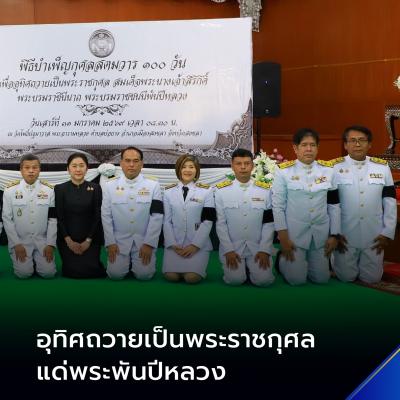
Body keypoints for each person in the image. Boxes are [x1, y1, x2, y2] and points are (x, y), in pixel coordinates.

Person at [271, 128, 340, 285]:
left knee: (322, 279)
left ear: (318, 147)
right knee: (296, 280)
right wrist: (283, 237)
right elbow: (278, 206)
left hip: (320, 234)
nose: (309, 149)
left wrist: (334, 234)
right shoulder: (283, 172)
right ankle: (281, 261)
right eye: (304, 145)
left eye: (312, 145)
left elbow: (334, 205)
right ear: (295, 148)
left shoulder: (328, 171)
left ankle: (306, 263)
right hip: (294, 234)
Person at [331, 125, 397, 283]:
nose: (357, 144)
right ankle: (332, 260)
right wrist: (334, 233)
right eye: (352, 140)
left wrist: (387, 232)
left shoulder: (382, 167)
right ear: (345, 145)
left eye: (362, 140)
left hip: (373, 234)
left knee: (372, 278)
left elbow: (389, 201)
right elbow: (331, 204)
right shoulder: (334, 167)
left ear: (370, 144)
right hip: (345, 234)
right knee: (346, 277)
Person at [214, 148, 275, 287]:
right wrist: (228, 250)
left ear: (252, 166)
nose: (243, 167)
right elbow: (221, 224)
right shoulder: (221, 191)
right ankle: (244, 270)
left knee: (264, 282)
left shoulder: (265, 190)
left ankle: (256, 267)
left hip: (257, 247)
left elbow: (269, 223)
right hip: (234, 248)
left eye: (247, 163)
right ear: (232, 166)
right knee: (234, 281)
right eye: (238, 163)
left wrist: (265, 249)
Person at [101, 146, 164, 280]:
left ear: (142, 164)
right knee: (115, 275)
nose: (131, 165)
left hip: (143, 241)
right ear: (121, 163)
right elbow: (106, 216)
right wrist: (110, 242)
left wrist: (149, 243)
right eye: (127, 160)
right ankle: (126, 263)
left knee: (144, 276)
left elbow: (157, 217)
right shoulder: (110, 186)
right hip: (119, 241)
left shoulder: (153, 185)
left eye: (135, 161)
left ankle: (134, 263)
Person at [162, 154, 216, 283]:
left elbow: (208, 221)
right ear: (178, 170)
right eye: (184, 167)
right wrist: (172, 243)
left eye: (191, 167)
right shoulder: (168, 191)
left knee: (191, 278)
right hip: (175, 244)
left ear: (196, 170)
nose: (187, 170)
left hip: (197, 243)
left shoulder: (207, 191)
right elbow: (166, 221)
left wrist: (195, 245)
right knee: (171, 277)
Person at [2, 154, 57, 279]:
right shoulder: (10, 191)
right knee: (23, 274)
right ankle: (30, 262)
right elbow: (7, 219)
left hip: (42, 241)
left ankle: (37, 261)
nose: (31, 171)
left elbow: (52, 219)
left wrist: (50, 244)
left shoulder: (49, 190)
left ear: (39, 169)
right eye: (27, 167)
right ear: (21, 170)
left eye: (34, 167)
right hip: (21, 241)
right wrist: (16, 244)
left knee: (49, 274)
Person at [54, 153, 106, 279]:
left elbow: (97, 216)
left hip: (90, 240)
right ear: (68, 169)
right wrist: (69, 241)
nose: (78, 169)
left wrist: (88, 241)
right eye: (74, 166)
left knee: (91, 271)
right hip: (67, 240)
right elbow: (59, 217)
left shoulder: (96, 188)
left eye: (81, 166)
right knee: (72, 272)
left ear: (87, 169)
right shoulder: (59, 189)